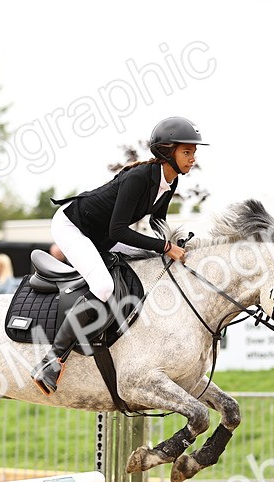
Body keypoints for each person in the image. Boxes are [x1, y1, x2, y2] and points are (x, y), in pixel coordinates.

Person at [30, 115, 205, 394]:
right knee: (102, 286)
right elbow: (119, 230)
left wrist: (174, 241)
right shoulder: (138, 178)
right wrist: (165, 247)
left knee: (150, 263)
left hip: (104, 235)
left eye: (193, 152)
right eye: (187, 152)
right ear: (166, 152)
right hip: (74, 226)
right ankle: (51, 360)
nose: (192, 158)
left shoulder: (169, 183)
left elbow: (157, 223)